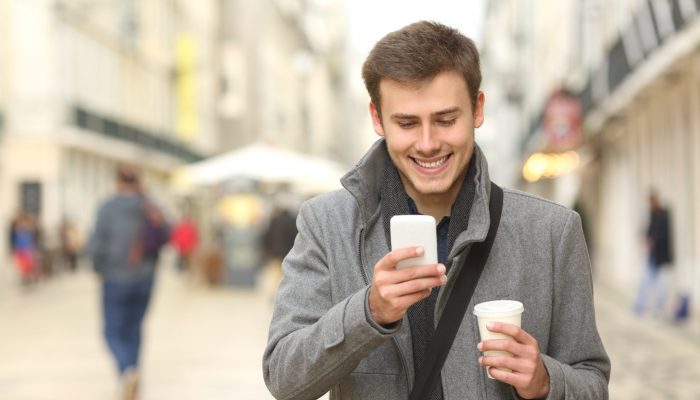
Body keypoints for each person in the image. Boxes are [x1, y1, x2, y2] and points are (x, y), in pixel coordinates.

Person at [263, 21, 610, 399]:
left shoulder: (552, 232)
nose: (428, 144)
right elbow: (284, 379)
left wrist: (546, 380)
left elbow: (592, 383)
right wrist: (369, 311)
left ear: (477, 109)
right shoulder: (326, 224)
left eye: (446, 120)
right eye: (407, 123)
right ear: (377, 119)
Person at [88, 164, 169, 400]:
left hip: (115, 277)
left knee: (112, 330)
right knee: (134, 328)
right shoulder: (150, 206)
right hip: (145, 277)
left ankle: (126, 369)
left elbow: (96, 243)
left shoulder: (107, 207)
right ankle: (133, 371)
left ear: (117, 182)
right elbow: (166, 234)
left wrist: (99, 268)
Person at [633, 190, 673, 317]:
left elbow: (664, 235)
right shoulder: (651, 214)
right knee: (645, 280)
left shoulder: (663, 215)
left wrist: (653, 240)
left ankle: (658, 307)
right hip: (653, 255)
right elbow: (649, 231)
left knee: (661, 284)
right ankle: (640, 306)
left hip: (661, 256)